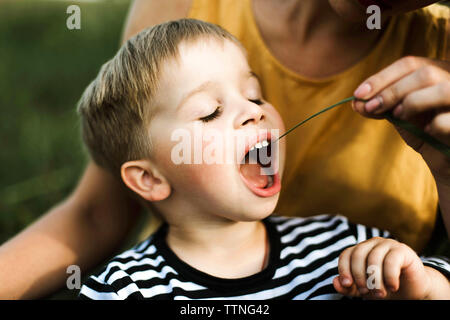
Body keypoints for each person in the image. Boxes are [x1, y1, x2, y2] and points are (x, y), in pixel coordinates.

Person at [0, 0, 449, 299]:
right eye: (210, 112)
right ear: (150, 179)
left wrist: (423, 282)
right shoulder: (125, 288)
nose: (255, 113)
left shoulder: (343, 244)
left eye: (256, 97)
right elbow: (94, 214)